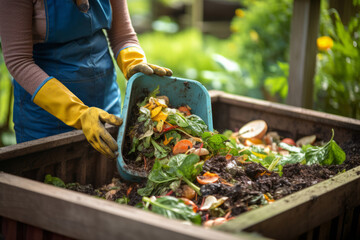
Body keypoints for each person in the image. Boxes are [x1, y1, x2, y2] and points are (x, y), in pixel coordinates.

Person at [0, 0, 172, 159]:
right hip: (46, 119)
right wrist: (78, 113)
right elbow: (19, 61)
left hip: (105, 102)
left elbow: (123, 36)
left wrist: (133, 62)